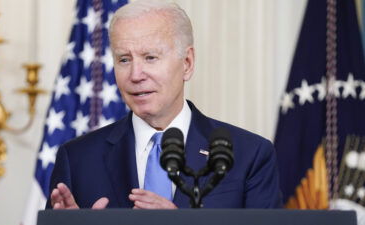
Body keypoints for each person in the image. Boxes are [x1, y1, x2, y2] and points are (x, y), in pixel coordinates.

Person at [46, 0, 281, 210]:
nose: (136, 74)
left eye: (150, 57)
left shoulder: (249, 155)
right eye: (124, 59)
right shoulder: (77, 158)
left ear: (187, 63)